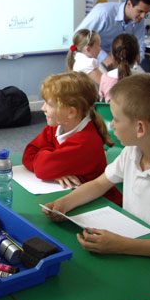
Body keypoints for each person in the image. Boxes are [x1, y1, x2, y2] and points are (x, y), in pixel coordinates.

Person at [42, 73, 150, 260]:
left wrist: (123, 245)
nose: (111, 124)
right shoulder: (132, 151)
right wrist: (64, 203)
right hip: (132, 247)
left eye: (116, 119)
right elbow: (99, 184)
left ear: (140, 128)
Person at [22, 72, 121, 205]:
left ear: (71, 112)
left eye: (49, 104)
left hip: (101, 205)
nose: (42, 108)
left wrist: (49, 161)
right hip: (73, 196)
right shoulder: (57, 126)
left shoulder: (85, 142)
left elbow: (42, 168)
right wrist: (56, 171)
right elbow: (28, 153)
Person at [75, 0, 150, 68]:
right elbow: (79, 37)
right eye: (140, 11)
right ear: (129, 4)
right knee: (106, 79)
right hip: (94, 58)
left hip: (118, 61)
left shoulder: (139, 19)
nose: (143, 16)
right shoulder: (103, 12)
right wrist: (103, 57)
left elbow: (140, 44)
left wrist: (136, 61)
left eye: (146, 12)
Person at [99, 33, 143, 102]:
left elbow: (102, 101)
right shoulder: (143, 79)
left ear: (113, 57)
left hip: (109, 113)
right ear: (137, 57)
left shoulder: (105, 77)